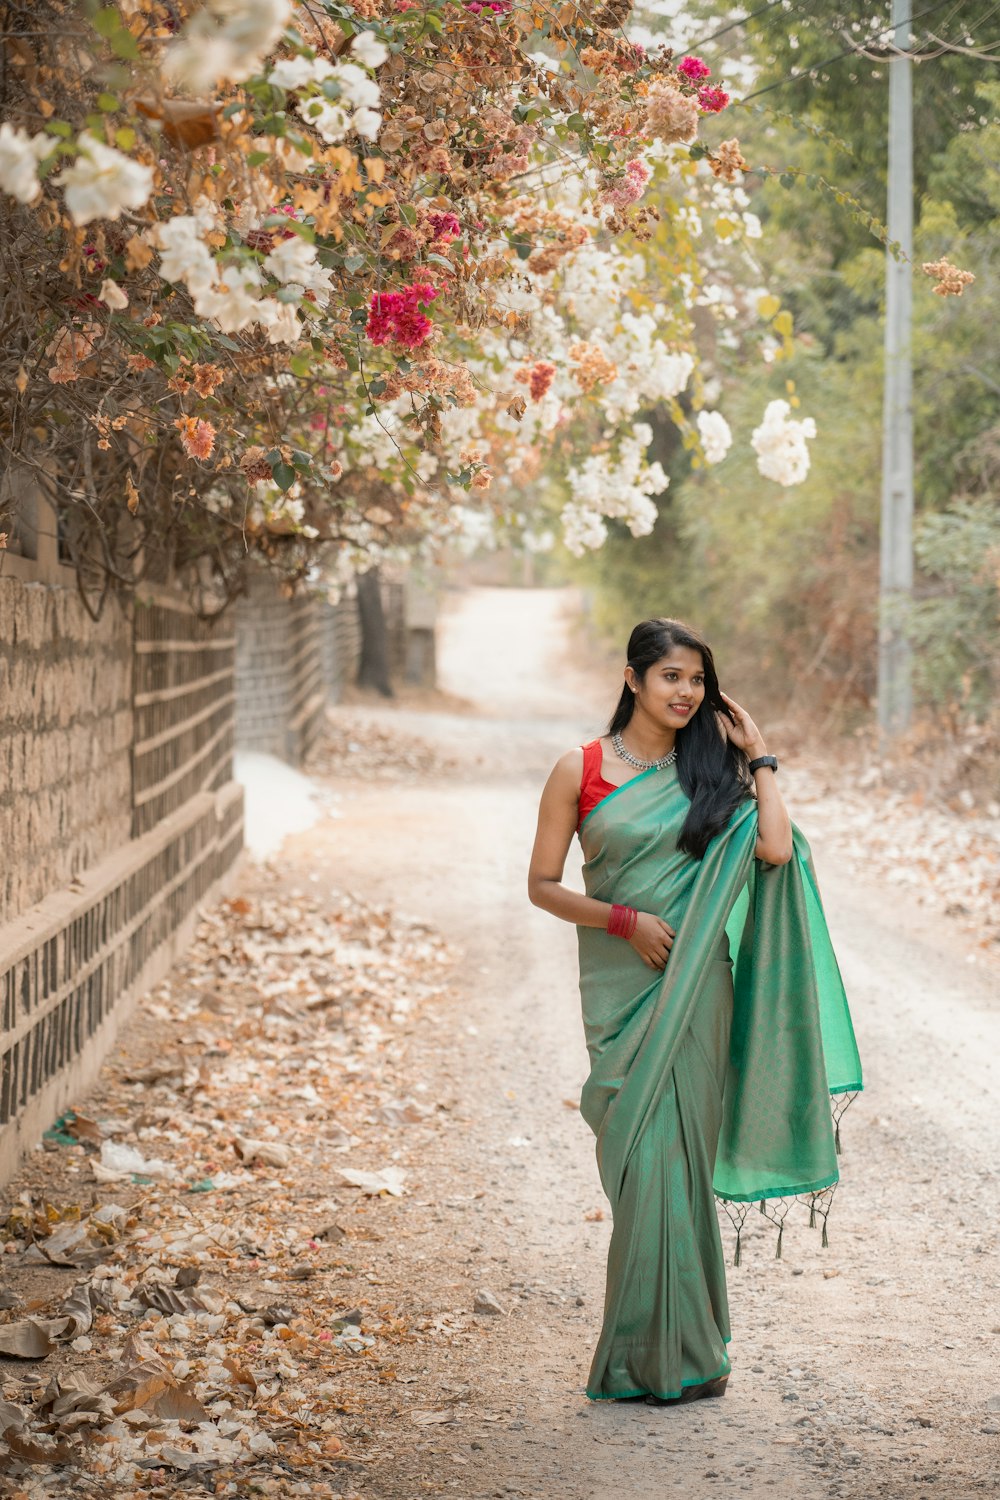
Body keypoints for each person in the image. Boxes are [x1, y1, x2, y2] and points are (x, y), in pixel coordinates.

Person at [527, 617, 861, 1407]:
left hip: (697, 992)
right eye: (672, 676)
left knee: (674, 1168)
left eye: (698, 680)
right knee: (642, 1167)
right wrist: (624, 921)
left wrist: (761, 758)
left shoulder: (712, 776)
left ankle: (680, 1356)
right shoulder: (579, 769)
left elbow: (774, 850)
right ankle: (665, 1350)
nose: (686, 693)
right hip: (622, 990)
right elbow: (542, 884)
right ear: (633, 678)